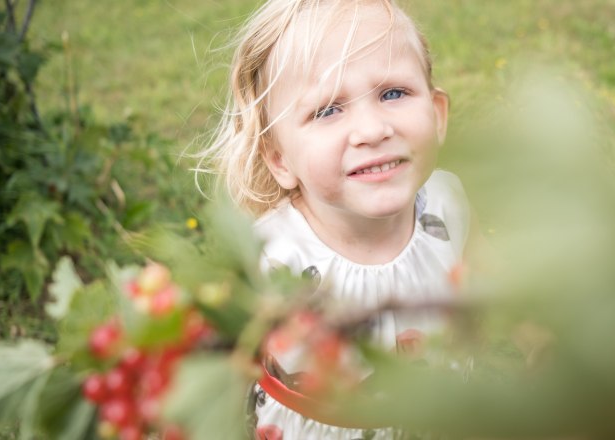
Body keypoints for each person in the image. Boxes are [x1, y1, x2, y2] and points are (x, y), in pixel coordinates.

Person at [198, 0, 470, 438]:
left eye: (393, 93)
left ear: (437, 115)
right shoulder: (270, 257)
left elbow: (477, 267)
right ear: (280, 159)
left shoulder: (446, 201)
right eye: (328, 110)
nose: (372, 130)